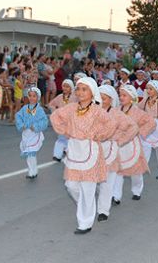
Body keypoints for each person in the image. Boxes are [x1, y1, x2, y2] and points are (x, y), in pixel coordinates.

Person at [50, 77, 116, 235]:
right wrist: (65, 131)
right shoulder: (72, 108)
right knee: (71, 186)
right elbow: (55, 116)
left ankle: (85, 223)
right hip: (74, 149)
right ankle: (87, 205)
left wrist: (99, 135)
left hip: (91, 150)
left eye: (84, 89)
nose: (79, 92)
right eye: (78, 89)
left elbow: (111, 124)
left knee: (87, 188)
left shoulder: (97, 110)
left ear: (92, 92)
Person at [96, 85, 137, 221]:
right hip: (92, 151)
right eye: (99, 97)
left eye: (105, 98)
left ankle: (103, 211)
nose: (101, 101)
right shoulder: (92, 111)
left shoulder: (117, 114)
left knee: (107, 183)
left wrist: (120, 140)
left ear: (111, 99)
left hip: (110, 151)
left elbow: (133, 127)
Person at [113, 85, 155, 205]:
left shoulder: (138, 112)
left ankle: (137, 190)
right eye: (120, 95)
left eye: (124, 95)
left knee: (135, 170)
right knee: (118, 169)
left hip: (133, 144)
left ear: (132, 98)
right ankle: (116, 195)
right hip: (119, 142)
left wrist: (140, 132)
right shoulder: (116, 110)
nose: (121, 97)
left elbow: (151, 122)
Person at [14, 87, 48, 179]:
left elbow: (44, 121)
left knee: (31, 152)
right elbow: (18, 116)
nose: (32, 98)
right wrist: (21, 125)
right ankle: (33, 170)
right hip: (26, 133)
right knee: (29, 153)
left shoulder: (39, 110)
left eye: (34, 96)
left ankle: (32, 172)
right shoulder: (25, 108)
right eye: (30, 96)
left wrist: (36, 126)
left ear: (38, 97)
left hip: (34, 133)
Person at [48, 79, 76, 161]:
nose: (65, 88)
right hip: (61, 121)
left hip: (71, 121)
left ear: (71, 88)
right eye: (64, 86)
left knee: (70, 138)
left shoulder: (75, 98)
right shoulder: (60, 97)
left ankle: (70, 154)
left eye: (67, 87)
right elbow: (51, 104)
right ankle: (57, 155)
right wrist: (55, 111)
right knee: (61, 138)